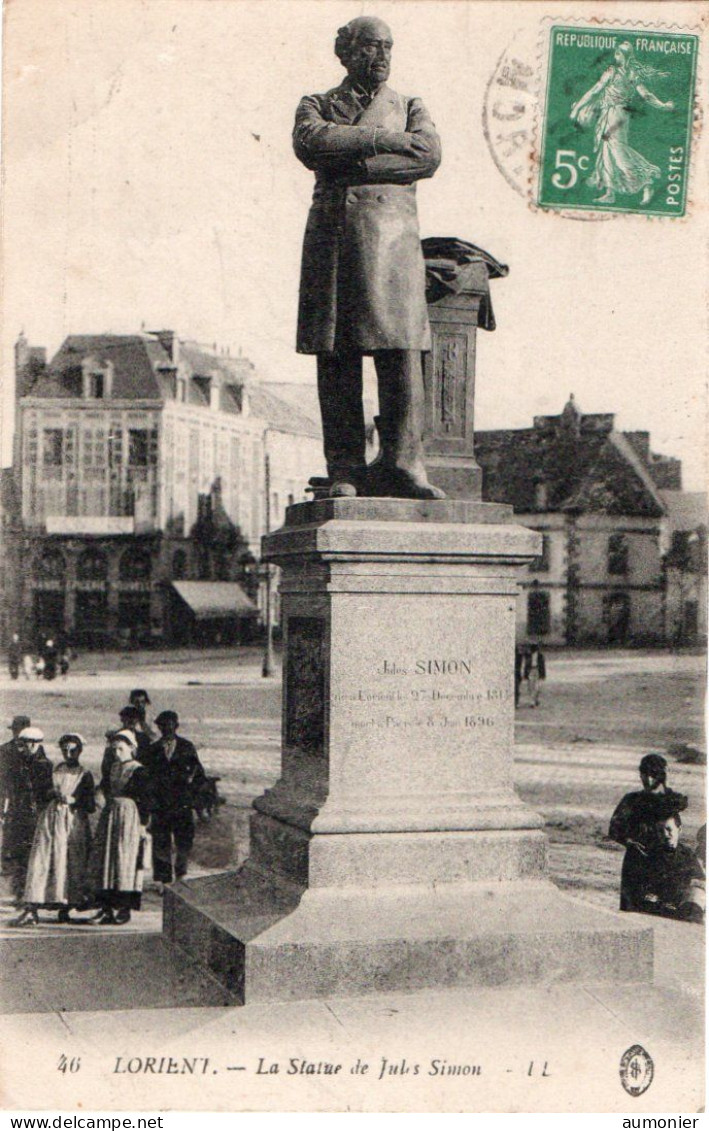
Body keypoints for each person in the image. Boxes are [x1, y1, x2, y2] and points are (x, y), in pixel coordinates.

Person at [293, 16, 444, 500]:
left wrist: (349, 157)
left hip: (393, 241)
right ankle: (345, 468)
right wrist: (383, 142)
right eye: (371, 47)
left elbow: (427, 157)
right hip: (334, 239)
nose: (381, 57)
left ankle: (404, 463)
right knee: (337, 354)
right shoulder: (315, 104)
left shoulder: (410, 105)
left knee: (400, 351)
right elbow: (312, 143)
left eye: (388, 48)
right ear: (346, 52)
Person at [570, 41, 674, 206]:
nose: (615, 56)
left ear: (624, 56)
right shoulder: (630, 74)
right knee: (606, 152)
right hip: (614, 114)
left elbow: (595, 90)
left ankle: (647, 181)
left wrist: (577, 108)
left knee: (618, 152)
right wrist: (662, 105)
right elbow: (645, 95)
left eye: (618, 53)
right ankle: (610, 192)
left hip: (616, 115)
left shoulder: (615, 72)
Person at [10, 734, 95, 927]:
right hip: (51, 819)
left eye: (73, 750)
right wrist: (51, 794)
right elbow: (43, 793)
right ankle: (32, 908)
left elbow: (90, 804)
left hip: (72, 823)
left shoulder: (84, 774)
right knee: (43, 859)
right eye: (65, 750)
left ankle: (65, 906)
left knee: (69, 862)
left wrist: (75, 800)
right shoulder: (56, 770)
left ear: (80, 751)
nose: (68, 753)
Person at [609, 753, 688, 912]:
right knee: (632, 909)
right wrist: (629, 842)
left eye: (654, 775)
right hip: (637, 860)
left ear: (662, 776)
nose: (649, 781)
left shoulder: (672, 801)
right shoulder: (631, 800)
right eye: (645, 775)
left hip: (666, 861)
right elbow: (614, 829)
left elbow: (675, 825)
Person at [90, 730, 152, 925]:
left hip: (129, 817)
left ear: (132, 749)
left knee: (125, 860)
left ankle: (124, 909)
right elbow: (104, 788)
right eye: (114, 749)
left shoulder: (139, 770)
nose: (117, 753)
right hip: (111, 815)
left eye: (121, 749)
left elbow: (146, 800)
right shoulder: (113, 767)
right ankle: (106, 908)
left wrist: (142, 824)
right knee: (107, 859)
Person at [146, 711, 206, 884]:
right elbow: (147, 777)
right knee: (161, 841)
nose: (166, 729)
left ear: (176, 726)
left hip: (182, 803)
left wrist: (193, 798)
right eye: (162, 725)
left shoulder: (187, 747)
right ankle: (163, 880)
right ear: (158, 727)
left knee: (183, 840)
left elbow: (198, 775)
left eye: (169, 725)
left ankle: (181, 875)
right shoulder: (153, 749)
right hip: (161, 804)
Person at [0, 722, 53, 901]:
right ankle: (21, 893)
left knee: (33, 854)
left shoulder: (43, 765)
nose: (21, 748)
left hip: (34, 813)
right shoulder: (22, 762)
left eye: (25, 744)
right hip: (19, 812)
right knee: (19, 854)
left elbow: (43, 793)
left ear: (33, 744)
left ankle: (31, 895)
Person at [641, 808, 705, 923]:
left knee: (697, 893)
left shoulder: (688, 855)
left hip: (683, 902)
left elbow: (699, 881)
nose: (666, 835)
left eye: (669, 830)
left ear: (679, 829)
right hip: (657, 902)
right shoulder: (649, 855)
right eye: (661, 831)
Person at [524, 643, 546, 708]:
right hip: (531, 670)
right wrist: (525, 674)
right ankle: (532, 701)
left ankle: (534, 699)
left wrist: (543, 674)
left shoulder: (540, 656)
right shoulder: (528, 656)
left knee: (537, 687)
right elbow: (526, 665)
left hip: (537, 670)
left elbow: (542, 665)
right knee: (531, 686)